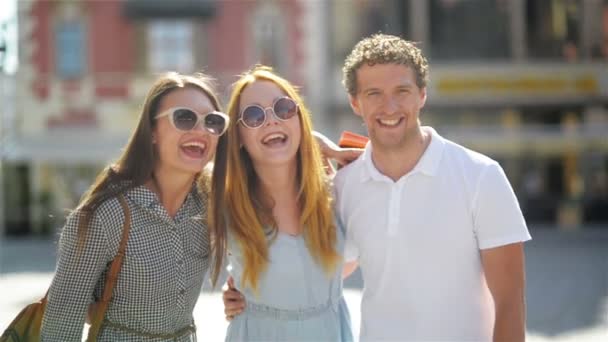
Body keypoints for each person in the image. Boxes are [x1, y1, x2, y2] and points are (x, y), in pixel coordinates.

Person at [225, 34, 531, 342]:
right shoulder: (342, 187)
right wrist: (248, 292)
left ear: (422, 95)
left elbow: (510, 302)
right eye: (374, 94)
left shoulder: (481, 177)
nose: (390, 106)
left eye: (402, 91)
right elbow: (319, 272)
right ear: (355, 102)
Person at [41, 72, 229, 341]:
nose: (201, 130)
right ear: (152, 131)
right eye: (184, 118)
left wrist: (239, 294)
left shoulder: (210, 203)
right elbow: (60, 324)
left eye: (213, 122)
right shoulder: (106, 215)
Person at [209, 65, 353, 341]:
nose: (271, 120)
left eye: (284, 108)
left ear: (300, 118)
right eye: (253, 115)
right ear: (238, 136)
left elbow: (343, 264)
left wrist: (322, 146)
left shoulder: (338, 190)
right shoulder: (225, 202)